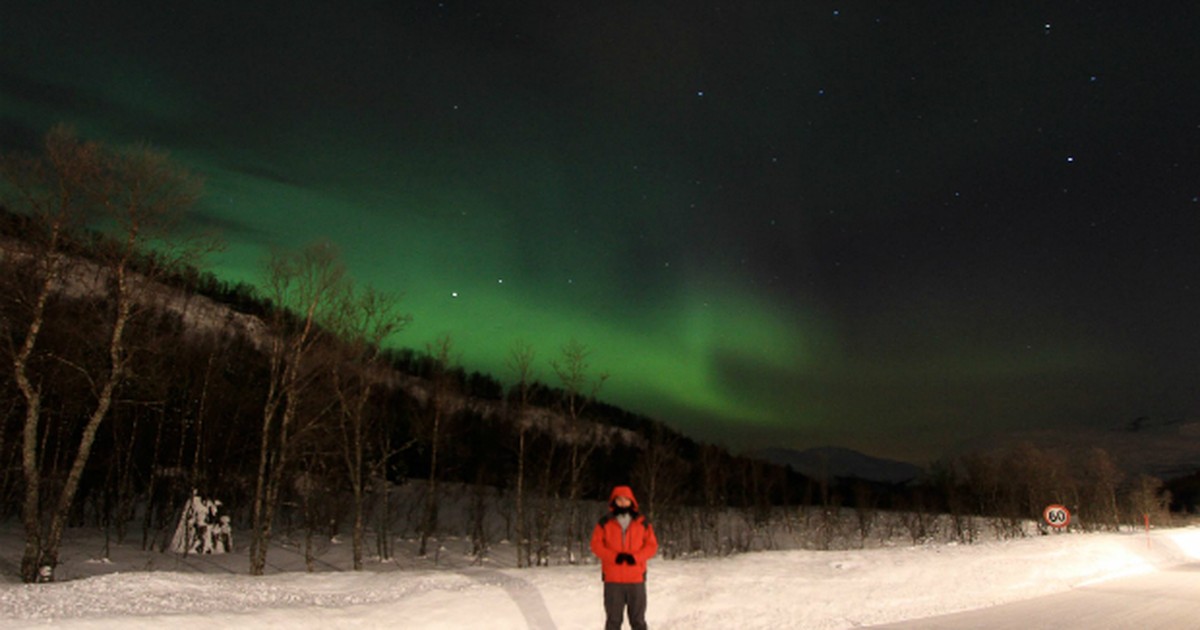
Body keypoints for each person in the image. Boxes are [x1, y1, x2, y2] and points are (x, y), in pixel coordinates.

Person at [590, 485, 658, 630]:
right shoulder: (604, 523)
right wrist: (614, 557)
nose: (623, 503)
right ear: (613, 502)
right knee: (613, 622)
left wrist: (636, 557)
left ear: (632, 501)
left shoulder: (642, 522)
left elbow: (652, 546)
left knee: (638, 621)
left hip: (636, 579)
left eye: (626, 500)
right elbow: (596, 545)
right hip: (613, 580)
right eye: (619, 500)